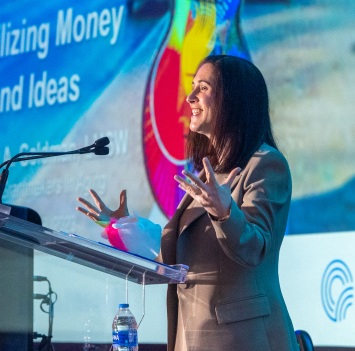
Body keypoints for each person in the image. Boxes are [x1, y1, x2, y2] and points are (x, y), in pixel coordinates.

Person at [76, 55, 299, 351]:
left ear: (233, 99)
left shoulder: (266, 165)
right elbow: (177, 255)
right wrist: (121, 228)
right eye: (192, 87)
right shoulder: (208, 173)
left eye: (202, 88)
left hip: (244, 339)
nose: (190, 97)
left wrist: (224, 214)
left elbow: (255, 247)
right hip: (191, 337)